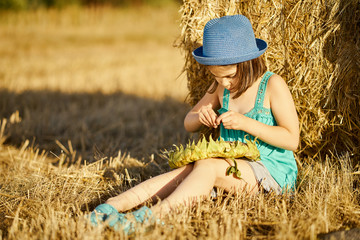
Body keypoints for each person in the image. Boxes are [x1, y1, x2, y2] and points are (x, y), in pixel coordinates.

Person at [89, 14, 299, 234]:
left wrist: (246, 123)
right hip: (231, 166)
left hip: (271, 173)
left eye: (229, 76)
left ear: (249, 62)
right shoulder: (221, 88)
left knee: (207, 166)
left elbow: (292, 139)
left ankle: (154, 217)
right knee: (185, 172)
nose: (224, 83)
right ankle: (111, 206)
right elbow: (189, 122)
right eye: (217, 78)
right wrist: (201, 116)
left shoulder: (272, 85)